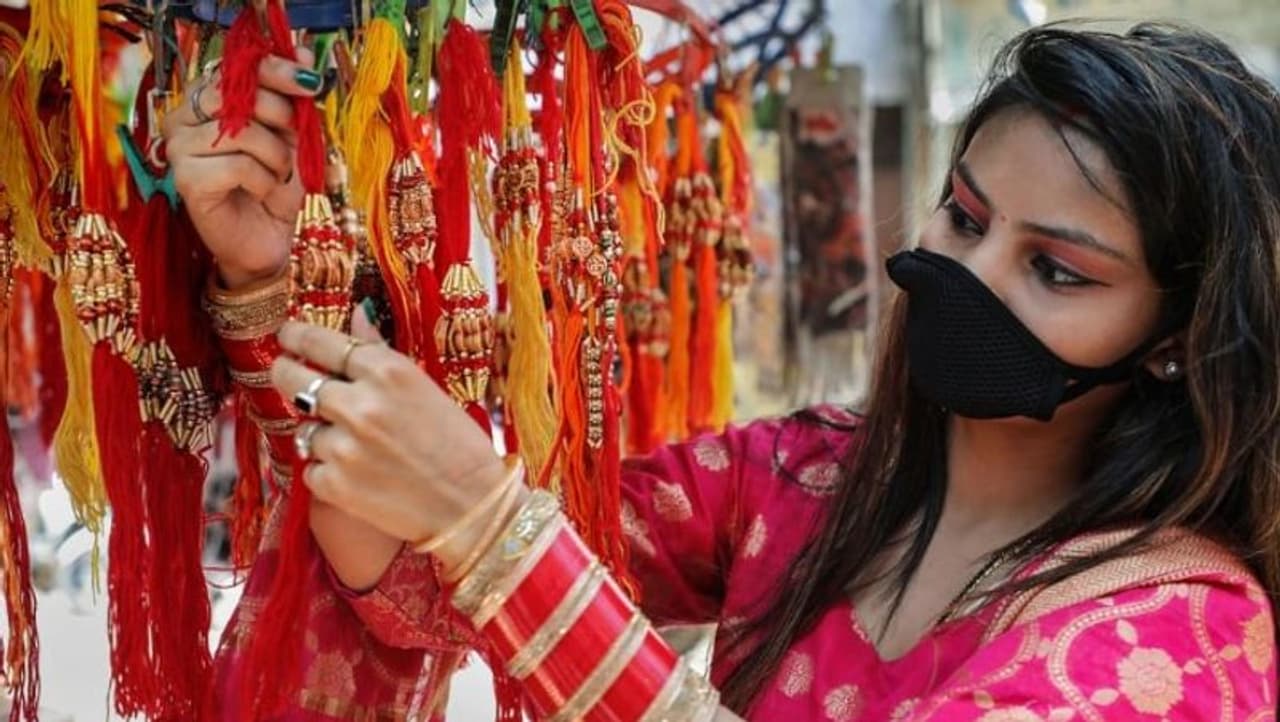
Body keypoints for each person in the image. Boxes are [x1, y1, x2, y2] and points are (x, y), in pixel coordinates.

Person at [164, 21, 1280, 720]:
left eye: (1055, 269)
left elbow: (489, 550)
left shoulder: (1173, 642)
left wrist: (489, 524)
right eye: (964, 216)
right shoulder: (804, 478)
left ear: (1174, 337)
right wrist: (272, 275)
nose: (966, 274)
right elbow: (414, 579)